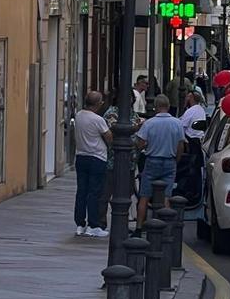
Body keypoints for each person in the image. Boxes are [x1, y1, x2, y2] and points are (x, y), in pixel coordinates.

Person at [134, 94, 187, 232]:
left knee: (144, 196)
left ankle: (139, 227)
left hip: (152, 160)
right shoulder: (177, 123)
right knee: (166, 196)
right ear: (168, 106)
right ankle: (166, 228)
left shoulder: (149, 123)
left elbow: (140, 144)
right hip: (170, 161)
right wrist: (176, 160)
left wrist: (147, 146)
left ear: (156, 107)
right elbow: (181, 146)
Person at [99, 91, 145, 228]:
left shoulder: (133, 113)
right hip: (112, 160)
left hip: (130, 161)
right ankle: (101, 222)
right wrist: (136, 128)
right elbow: (115, 129)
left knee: (128, 192)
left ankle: (121, 222)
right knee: (106, 193)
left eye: (130, 98)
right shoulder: (111, 113)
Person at [74, 91, 113, 237]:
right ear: (98, 104)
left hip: (81, 156)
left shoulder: (78, 115)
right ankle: (93, 225)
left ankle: (79, 224)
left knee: (81, 191)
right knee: (94, 192)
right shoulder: (98, 119)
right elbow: (109, 137)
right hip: (97, 157)